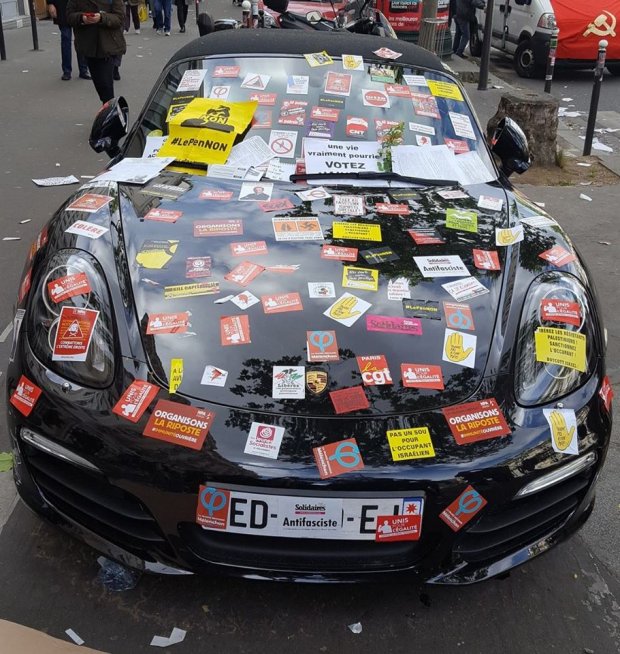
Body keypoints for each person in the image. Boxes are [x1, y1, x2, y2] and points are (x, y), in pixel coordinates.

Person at [66, 0, 127, 103]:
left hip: (108, 45)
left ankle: (111, 110)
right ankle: (109, 108)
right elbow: (69, 17)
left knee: (106, 89)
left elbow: (119, 18)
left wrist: (102, 18)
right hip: (88, 46)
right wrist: (82, 18)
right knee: (101, 88)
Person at [47, 0, 91, 80]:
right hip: (62, 7)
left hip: (79, 6)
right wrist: (50, 3)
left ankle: (83, 69)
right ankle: (67, 71)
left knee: (81, 39)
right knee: (66, 39)